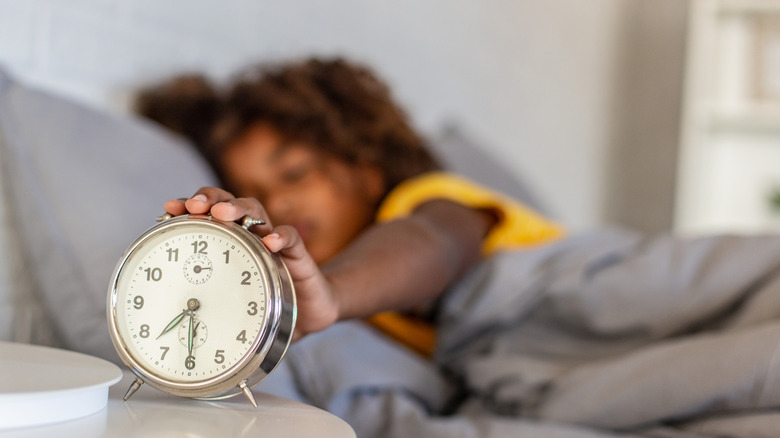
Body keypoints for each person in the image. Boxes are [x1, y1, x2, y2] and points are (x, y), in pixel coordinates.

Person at [136, 57, 563, 353]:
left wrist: (333, 294)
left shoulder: (426, 200)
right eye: (257, 193)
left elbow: (439, 243)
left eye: (295, 173)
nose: (279, 202)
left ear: (366, 167)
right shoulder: (352, 305)